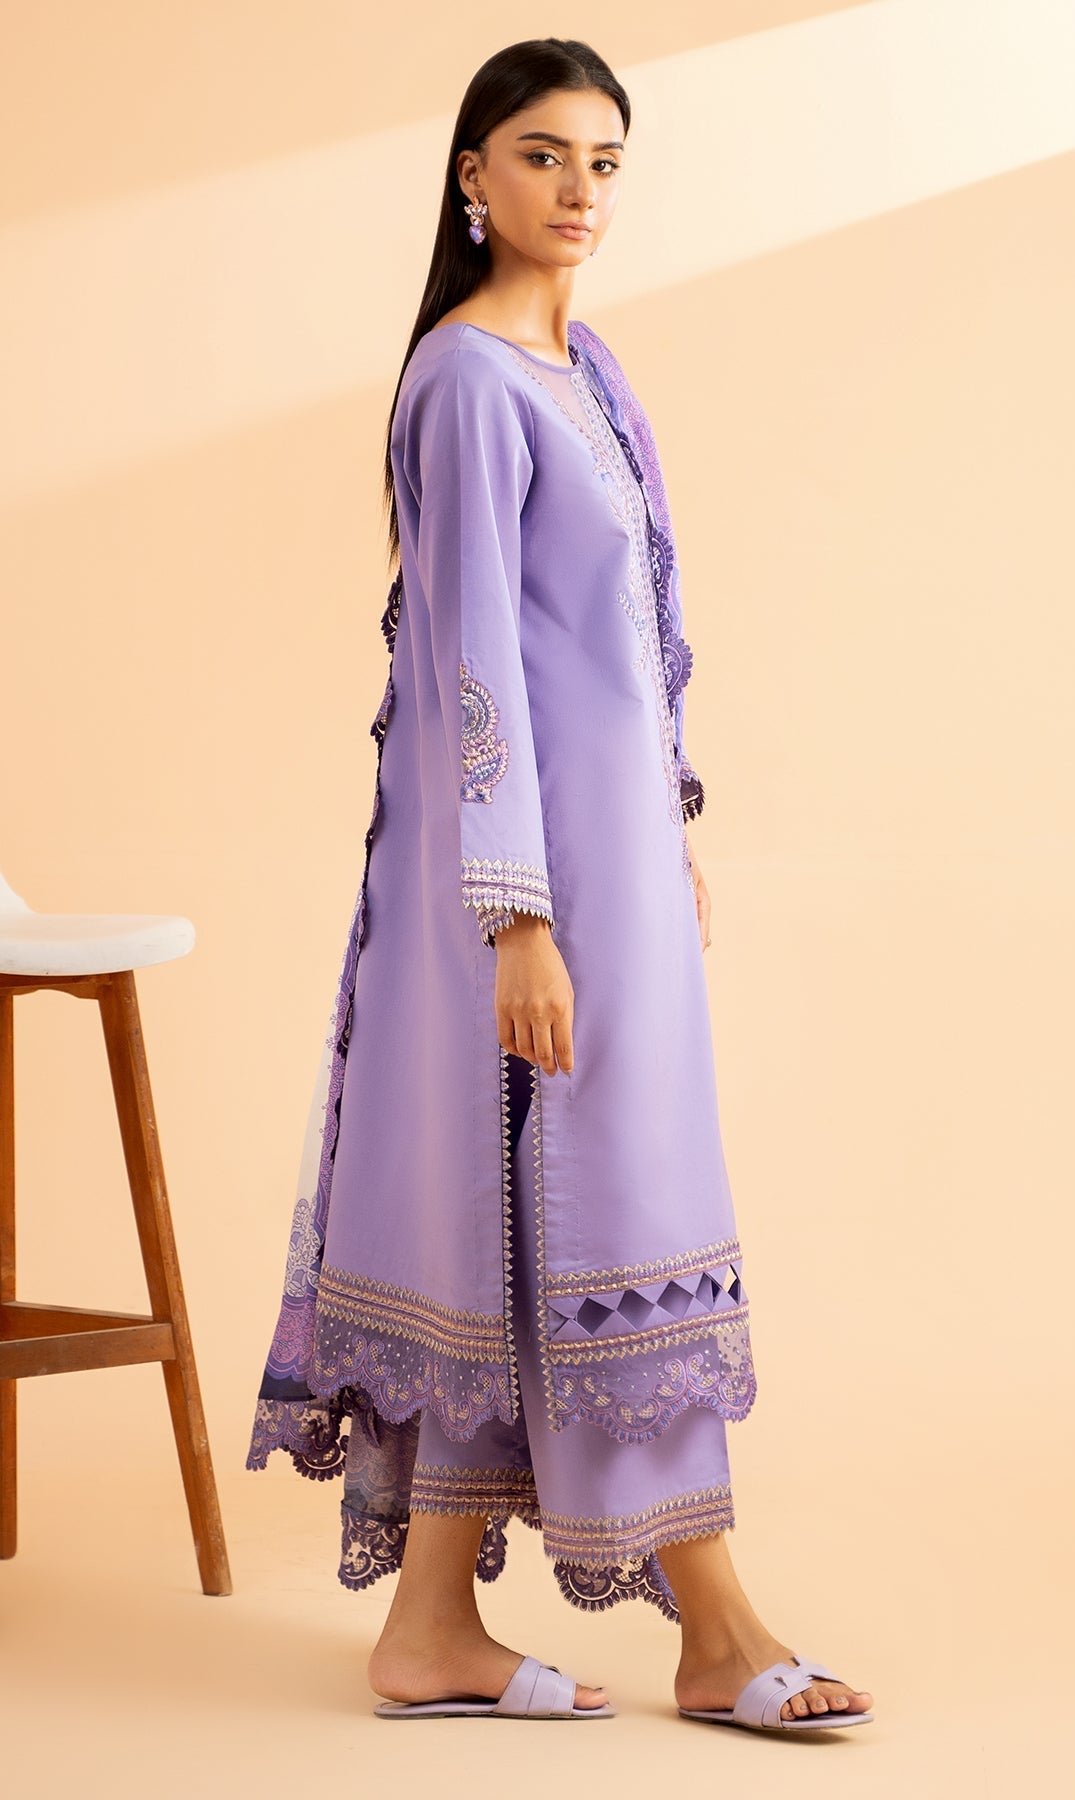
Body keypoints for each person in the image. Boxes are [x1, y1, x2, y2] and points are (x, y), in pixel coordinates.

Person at [246, 36, 874, 1734]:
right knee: (580, 1207)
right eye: (542, 155)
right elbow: (474, 668)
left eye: (605, 161)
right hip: (518, 890)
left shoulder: (586, 369)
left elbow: (619, 656)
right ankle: (718, 1630)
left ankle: (431, 1629)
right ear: (473, 175)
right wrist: (517, 915)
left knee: (540, 1221)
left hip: (617, 879)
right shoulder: (466, 381)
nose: (579, 189)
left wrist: (666, 838)